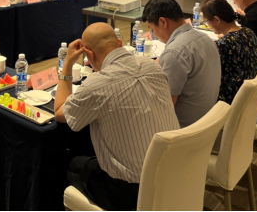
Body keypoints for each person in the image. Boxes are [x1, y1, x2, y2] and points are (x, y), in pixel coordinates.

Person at [55, 23, 179, 211]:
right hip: (172, 175)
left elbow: (59, 112)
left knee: (69, 162)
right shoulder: (153, 66)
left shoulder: (95, 85)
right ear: (119, 43)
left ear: (90, 55)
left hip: (130, 193)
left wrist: (67, 65)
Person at [142, 0, 221, 128]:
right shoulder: (205, 38)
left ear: (163, 22)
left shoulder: (174, 52)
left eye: (152, 29)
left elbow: (165, 105)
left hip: (182, 129)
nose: (154, 34)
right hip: (206, 123)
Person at [201, 0, 257, 105]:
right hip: (249, 98)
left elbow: (207, 75)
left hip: (228, 102)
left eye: (207, 22)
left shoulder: (224, 44)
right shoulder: (249, 32)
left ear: (216, 20)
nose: (208, 26)